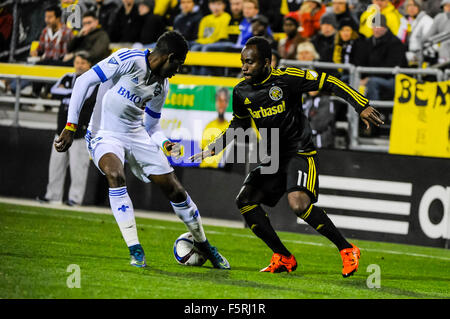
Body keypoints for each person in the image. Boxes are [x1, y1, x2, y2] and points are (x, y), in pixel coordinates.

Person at [190, 36, 384, 277]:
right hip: (272, 156)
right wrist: (215, 147)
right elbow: (239, 123)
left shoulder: (288, 78)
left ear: (267, 62)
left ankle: (347, 249)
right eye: (242, 62)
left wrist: (361, 104)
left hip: (299, 151)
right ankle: (283, 256)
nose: (244, 67)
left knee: (298, 203)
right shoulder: (241, 90)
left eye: (249, 62)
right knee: (245, 201)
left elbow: (329, 81)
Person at [54, 31, 230, 270]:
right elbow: (85, 80)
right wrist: (71, 125)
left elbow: (152, 125)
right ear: (169, 57)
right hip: (104, 133)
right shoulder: (127, 59)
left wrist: (164, 143)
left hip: (136, 135)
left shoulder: (162, 86)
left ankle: (205, 245)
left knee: (175, 190)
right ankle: (135, 249)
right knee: (115, 175)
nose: (178, 70)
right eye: (178, 64)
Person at [37, 51, 96, 206]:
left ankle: (74, 199)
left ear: (89, 64)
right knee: (55, 166)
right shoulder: (68, 77)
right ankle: (52, 195)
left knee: (78, 169)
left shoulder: (92, 81)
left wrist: (68, 93)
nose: (79, 66)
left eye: (83, 63)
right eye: (77, 62)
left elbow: (88, 98)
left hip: (80, 133)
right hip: (61, 130)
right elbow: (53, 91)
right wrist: (74, 93)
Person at [360, 14, 408, 101]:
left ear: (385, 27)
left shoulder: (395, 43)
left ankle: (373, 113)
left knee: (372, 83)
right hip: (372, 77)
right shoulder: (368, 42)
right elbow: (362, 61)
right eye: (374, 26)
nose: (376, 29)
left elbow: (391, 67)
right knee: (348, 79)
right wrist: (360, 78)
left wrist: (368, 78)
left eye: (379, 26)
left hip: (392, 79)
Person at [200, 87, 231, 168]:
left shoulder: (230, 127)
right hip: (204, 168)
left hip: (221, 170)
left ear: (227, 104)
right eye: (219, 100)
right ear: (216, 103)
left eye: (224, 101)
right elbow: (203, 149)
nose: (221, 104)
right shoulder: (209, 126)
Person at [404, 0, 433, 66]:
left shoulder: (427, 21)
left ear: (420, 7)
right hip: (409, 59)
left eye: (414, 5)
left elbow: (429, 44)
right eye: (409, 5)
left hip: (422, 59)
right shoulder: (406, 21)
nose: (411, 8)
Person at [423, 0, 450, 65]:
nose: (448, 8)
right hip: (444, 53)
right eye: (446, 6)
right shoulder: (440, 17)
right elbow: (428, 36)